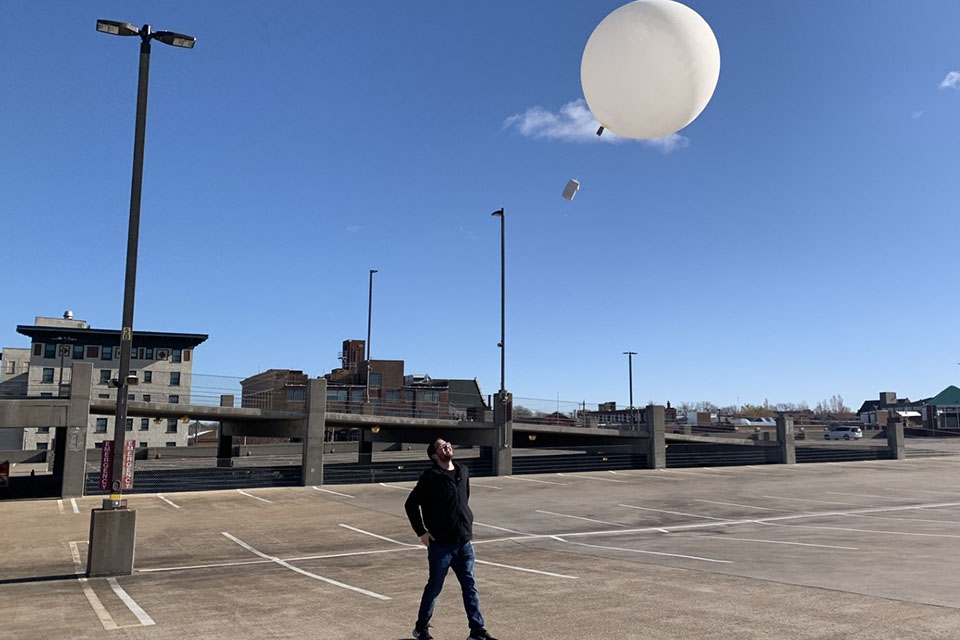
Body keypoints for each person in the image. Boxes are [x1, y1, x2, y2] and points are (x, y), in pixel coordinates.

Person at [404, 438, 497, 640]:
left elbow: (463, 499)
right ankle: (421, 628)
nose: (446, 446)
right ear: (434, 455)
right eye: (441, 446)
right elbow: (411, 504)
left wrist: (464, 520)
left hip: (464, 542)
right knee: (435, 588)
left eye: (447, 443)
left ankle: (477, 630)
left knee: (470, 586)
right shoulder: (430, 477)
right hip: (440, 546)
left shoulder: (463, 471)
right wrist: (422, 532)